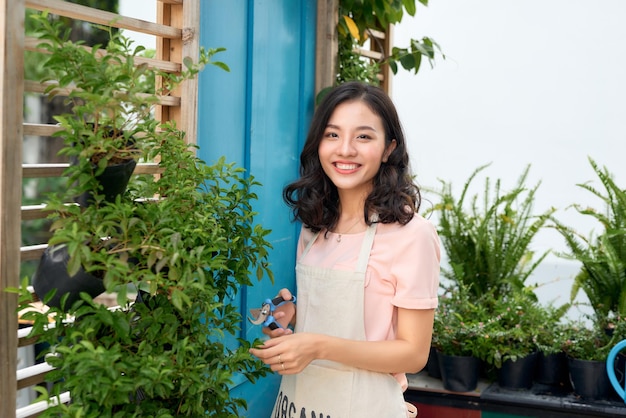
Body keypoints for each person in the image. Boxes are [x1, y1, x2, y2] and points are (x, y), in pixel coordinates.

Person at [250, 81, 440, 418]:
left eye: (364, 137)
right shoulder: (314, 227)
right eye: (332, 134)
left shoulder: (413, 235)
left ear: (388, 148)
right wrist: (292, 322)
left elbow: (413, 354)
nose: (345, 150)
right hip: (298, 406)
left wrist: (317, 345)